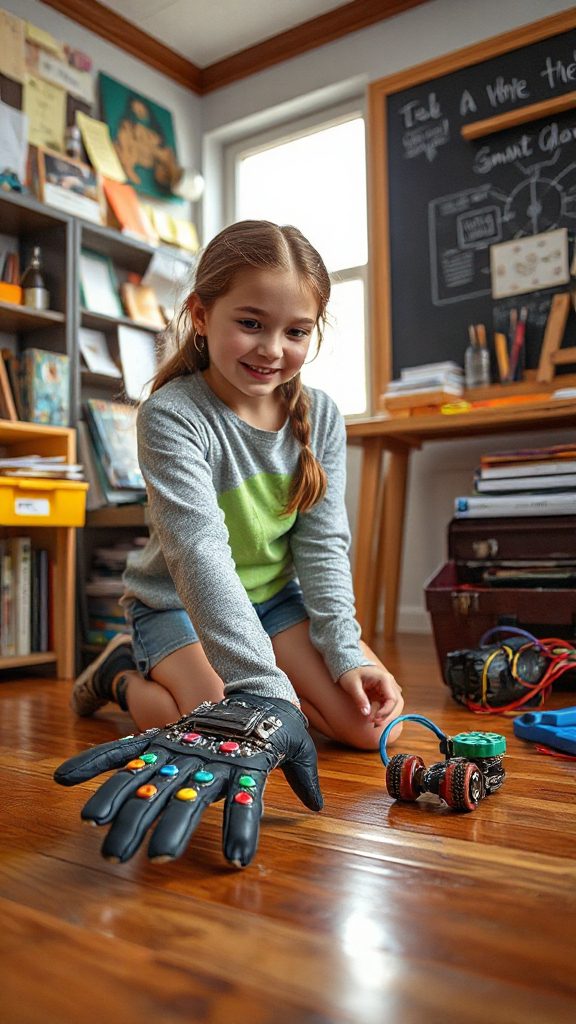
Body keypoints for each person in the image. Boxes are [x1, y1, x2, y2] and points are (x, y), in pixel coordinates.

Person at [72, 220, 403, 750]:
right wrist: (264, 687)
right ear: (200, 315)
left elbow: (322, 548)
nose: (272, 349)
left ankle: (265, 682)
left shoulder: (321, 416)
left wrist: (346, 653)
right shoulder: (172, 414)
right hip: (176, 605)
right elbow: (199, 555)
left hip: (273, 602)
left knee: (372, 727)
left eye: (296, 332)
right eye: (251, 323)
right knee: (226, 733)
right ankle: (121, 674)